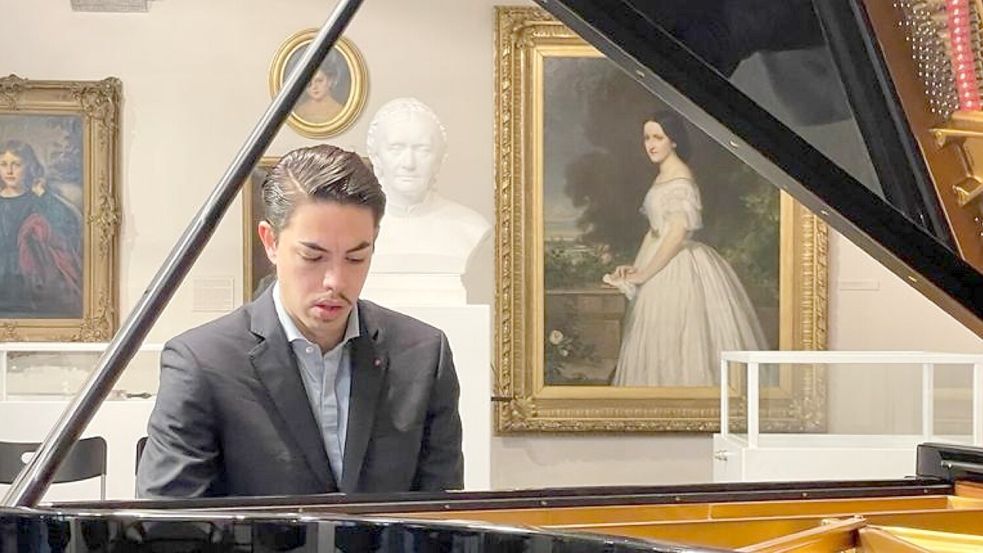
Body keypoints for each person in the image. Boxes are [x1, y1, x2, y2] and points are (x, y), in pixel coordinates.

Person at [137, 144, 464, 498]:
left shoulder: (423, 356)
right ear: (271, 242)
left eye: (356, 258)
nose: (335, 282)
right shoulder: (202, 364)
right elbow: (167, 529)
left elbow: (442, 516)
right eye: (313, 256)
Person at [605, 112, 766, 387]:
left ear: (674, 140)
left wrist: (645, 275)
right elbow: (656, 230)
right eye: (647, 138)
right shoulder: (662, 176)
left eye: (658, 137)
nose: (651, 144)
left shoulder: (680, 178)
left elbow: (677, 233)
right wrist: (637, 267)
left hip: (678, 264)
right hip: (659, 257)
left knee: (683, 341)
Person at [363, 97, 489, 278]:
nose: (409, 163)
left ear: (439, 159)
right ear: (376, 156)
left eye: (423, 149)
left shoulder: (472, 229)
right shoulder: (353, 228)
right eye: (396, 148)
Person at [0, 139, 82, 317]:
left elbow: (66, 224)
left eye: (16, 164)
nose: (9, 171)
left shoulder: (36, 200)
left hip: (29, 272)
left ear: (29, 167)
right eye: (4, 164)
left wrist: (43, 195)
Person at [291, 49, 345, 123]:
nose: (314, 87)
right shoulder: (300, 111)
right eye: (309, 83)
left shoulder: (340, 111)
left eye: (319, 81)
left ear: (330, 81)